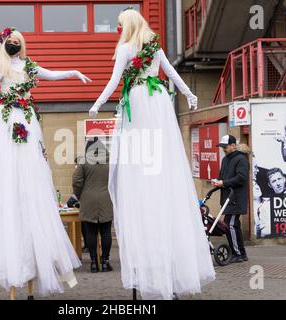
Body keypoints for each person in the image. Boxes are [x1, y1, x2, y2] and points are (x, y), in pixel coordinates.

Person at [0, 27, 91, 298]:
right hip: (7, 121)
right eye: (9, 41)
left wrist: (73, 72)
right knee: (11, 175)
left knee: (31, 170)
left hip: (25, 118)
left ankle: (33, 258)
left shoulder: (29, 66)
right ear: (3, 44)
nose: (13, 44)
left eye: (17, 41)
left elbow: (52, 74)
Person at [88, 8, 215, 300]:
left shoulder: (125, 49)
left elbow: (114, 82)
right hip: (157, 101)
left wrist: (97, 104)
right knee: (162, 160)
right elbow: (171, 75)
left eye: (119, 25)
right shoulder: (154, 46)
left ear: (127, 26)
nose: (118, 30)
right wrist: (190, 94)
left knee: (138, 162)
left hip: (139, 102)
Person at [72, 138, 114, 273]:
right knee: (106, 232)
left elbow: (77, 181)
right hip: (106, 199)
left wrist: (79, 196)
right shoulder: (110, 161)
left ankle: (94, 263)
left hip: (88, 199)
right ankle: (105, 262)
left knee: (90, 232)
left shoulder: (83, 162)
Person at [213, 135, 250, 263]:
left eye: (226, 146)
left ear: (233, 146)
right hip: (228, 198)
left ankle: (238, 253)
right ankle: (241, 253)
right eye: (222, 147)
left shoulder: (241, 159)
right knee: (232, 225)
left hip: (236, 198)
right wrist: (218, 182)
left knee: (231, 224)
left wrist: (224, 183)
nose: (223, 149)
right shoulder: (225, 160)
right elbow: (222, 176)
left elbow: (241, 178)